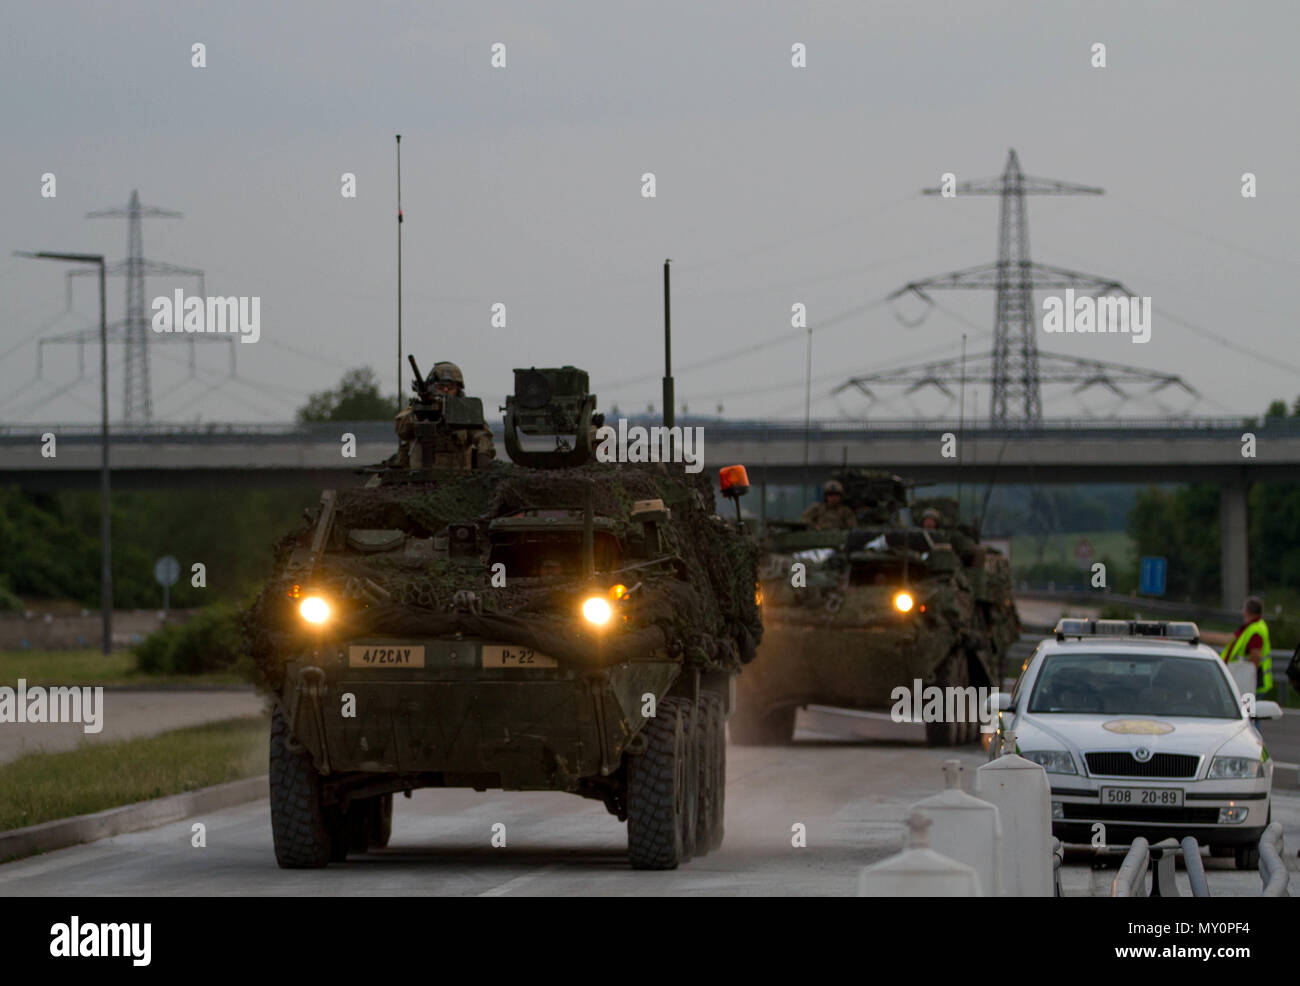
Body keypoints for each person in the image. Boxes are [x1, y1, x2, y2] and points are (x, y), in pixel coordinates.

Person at [392, 361, 495, 469]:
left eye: (450, 388)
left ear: (458, 390)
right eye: (440, 387)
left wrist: (483, 454)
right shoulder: (416, 409)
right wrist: (421, 413)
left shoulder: (464, 412)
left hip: (458, 478)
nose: (445, 391)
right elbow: (401, 430)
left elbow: (483, 435)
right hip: (418, 479)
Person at [1221, 595, 1272, 695]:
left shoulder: (1255, 630)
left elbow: (1256, 657)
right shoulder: (1255, 626)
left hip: (1249, 686)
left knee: (1247, 710)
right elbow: (1228, 639)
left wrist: (1247, 682)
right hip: (1249, 683)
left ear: (1247, 611)